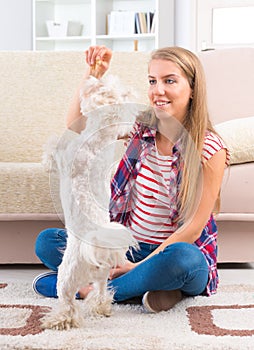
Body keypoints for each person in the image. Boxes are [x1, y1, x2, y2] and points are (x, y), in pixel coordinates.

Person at [33, 45, 229, 313]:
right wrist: (94, 75)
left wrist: (137, 267)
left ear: (193, 88)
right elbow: (77, 127)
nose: (158, 90)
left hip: (172, 253)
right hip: (127, 248)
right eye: (152, 81)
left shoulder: (210, 148)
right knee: (47, 241)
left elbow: (194, 229)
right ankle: (150, 290)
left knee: (184, 260)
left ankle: (85, 290)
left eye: (169, 80)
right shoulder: (142, 126)